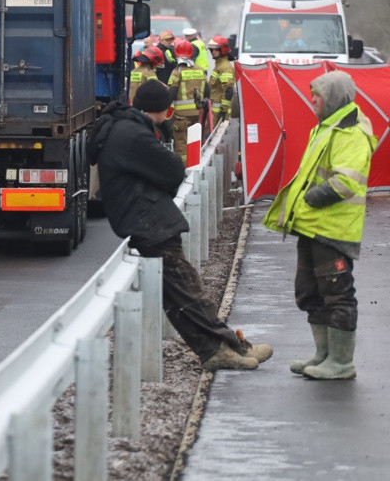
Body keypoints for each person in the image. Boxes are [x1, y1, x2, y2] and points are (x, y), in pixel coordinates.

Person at [88, 78, 273, 371]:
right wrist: (162, 135)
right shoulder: (134, 134)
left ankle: (214, 351)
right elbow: (174, 171)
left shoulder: (124, 128)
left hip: (143, 219)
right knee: (189, 289)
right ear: (161, 108)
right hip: (149, 222)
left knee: (177, 297)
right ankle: (233, 346)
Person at [262, 70, 375, 380]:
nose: (313, 99)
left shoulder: (350, 133)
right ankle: (323, 355)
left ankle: (341, 363)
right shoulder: (326, 128)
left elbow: (345, 183)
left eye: (319, 95)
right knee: (310, 292)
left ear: (334, 98)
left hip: (333, 230)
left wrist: (311, 199)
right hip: (313, 226)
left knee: (337, 293)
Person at [166, 40, 209, 162]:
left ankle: (183, 171)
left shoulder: (177, 71)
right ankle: (195, 166)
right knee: (195, 142)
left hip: (181, 116)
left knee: (181, 145)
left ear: (176, 54)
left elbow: (171, 93)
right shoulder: (200, 70)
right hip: (198, 114)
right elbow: (207, 91)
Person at [206, 36, 236, 123]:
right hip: (215, 113)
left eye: (216, 49)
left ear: (223, 50)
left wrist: (223, 111)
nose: (213, 52)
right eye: (211, 50)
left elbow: (228, 91)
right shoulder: (219, 66)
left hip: (220, 114)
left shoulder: (225, 67)